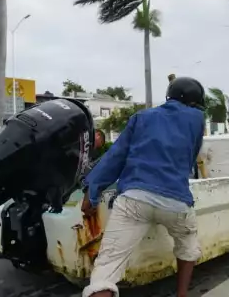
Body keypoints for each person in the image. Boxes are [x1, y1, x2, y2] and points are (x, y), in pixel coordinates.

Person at [81, 76, 206, 297]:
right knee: (188, 245)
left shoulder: (141, 117)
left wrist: (92, 192)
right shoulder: (197, 119)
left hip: (134, 200)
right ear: (195, 102)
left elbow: (116, 156)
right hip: (176, 201)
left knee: (107, 267)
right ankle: (182, 293)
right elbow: (190, 159)